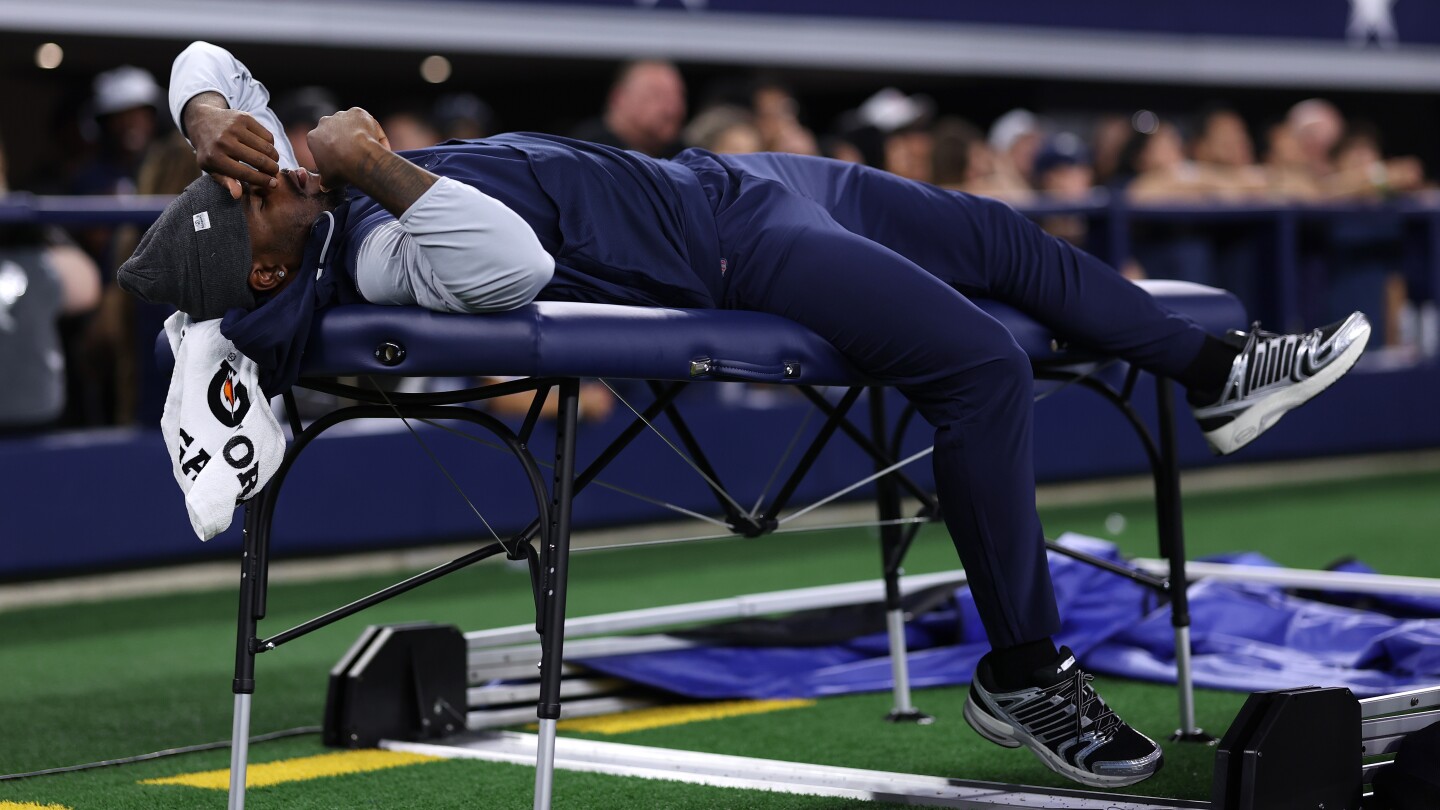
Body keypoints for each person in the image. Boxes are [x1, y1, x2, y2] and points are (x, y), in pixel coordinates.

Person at [120, 42, 1372, 789]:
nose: (275, 168)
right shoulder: (374, 251)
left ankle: (1213, 371)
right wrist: (373, 164)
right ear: (268, 268)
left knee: (1005, 242)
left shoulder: (293, 202)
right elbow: (508, 265)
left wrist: (212, 120)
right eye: (258, 189)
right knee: (982, 367)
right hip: (729, 252)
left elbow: (204, 63)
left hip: (742, 182)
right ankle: (1023, 674)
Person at [570, 60, 687, 158]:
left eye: (678, 97)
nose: (672, 109)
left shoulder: (682, 156)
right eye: (657, 96)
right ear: (618, 98)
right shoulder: (586, 152)